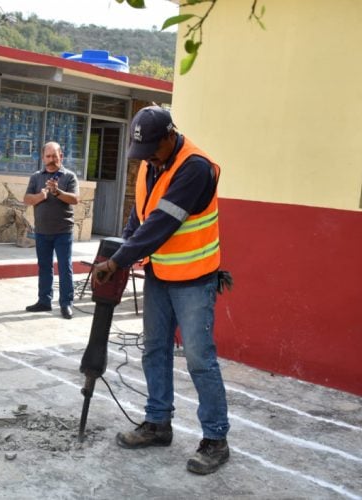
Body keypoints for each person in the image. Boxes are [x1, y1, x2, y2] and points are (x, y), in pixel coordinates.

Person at [92, 106, 230, 475]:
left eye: (154, 148)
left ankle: (215, 439)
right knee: (155, 349)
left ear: (171, 135)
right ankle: (158, 423)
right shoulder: (151, 162)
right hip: (160, 274)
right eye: (145, 152)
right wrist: (122, 246)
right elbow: (140, 214)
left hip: (195, 279)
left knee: (200, 359)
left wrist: (118, 261)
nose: (149, 157)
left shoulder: (195, 167)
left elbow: (162, 222)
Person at [23, 142, 79, 320]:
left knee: (64, 267)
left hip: (63, 231)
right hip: (42, 231)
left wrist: (57, 192)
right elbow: (26, 199)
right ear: (43, 157)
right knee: (45, 267)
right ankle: (44, 301)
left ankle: (66, 304)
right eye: (48, 156)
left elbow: (75, 199)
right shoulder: (36, 177)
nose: (51, 160)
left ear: (61, 156)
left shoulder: (69, 177)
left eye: (55, 156)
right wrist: (41, 195)